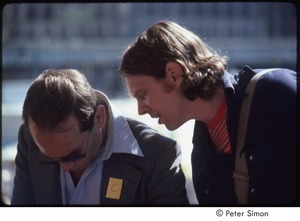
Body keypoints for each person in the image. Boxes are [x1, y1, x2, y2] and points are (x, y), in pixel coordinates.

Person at [118, 20, 297, 204]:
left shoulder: (274, 92)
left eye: (143, 95)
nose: (140, 110)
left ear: (174, 74)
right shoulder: (200, 159)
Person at [11, 69, 189, 205]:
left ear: (99, 117)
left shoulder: (158, 156)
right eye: (51, 158)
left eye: (74, 154)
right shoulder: (30, 140)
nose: (65, 168)